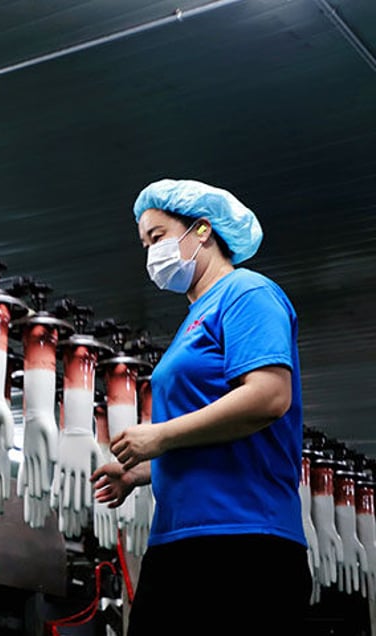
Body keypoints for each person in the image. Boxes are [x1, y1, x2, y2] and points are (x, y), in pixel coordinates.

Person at [91, 179, 311, 636]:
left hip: (244, 542)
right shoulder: (193, 319)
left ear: (203, 231)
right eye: (145, 244)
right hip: (180, 539)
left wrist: (159, 436)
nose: (151, 253)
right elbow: (212, 437)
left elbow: (270, 395)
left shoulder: (247, 294)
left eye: (157, 237)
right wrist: (140, 473)